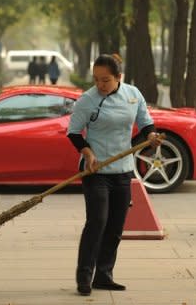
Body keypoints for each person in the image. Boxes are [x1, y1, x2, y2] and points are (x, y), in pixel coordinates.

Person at [66, 54, 162, 297]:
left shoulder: (133, 94)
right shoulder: (87, 100)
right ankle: (84, 276)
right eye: (96, 79)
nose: (100, 85)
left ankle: (104, 275)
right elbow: (74, 133)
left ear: (119, 77)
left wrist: (151, 137)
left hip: (122, 170)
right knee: (97, 221)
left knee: (116, 226)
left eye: (105, 80)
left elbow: (146, 123)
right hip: (95, 170)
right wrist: (87, 153)